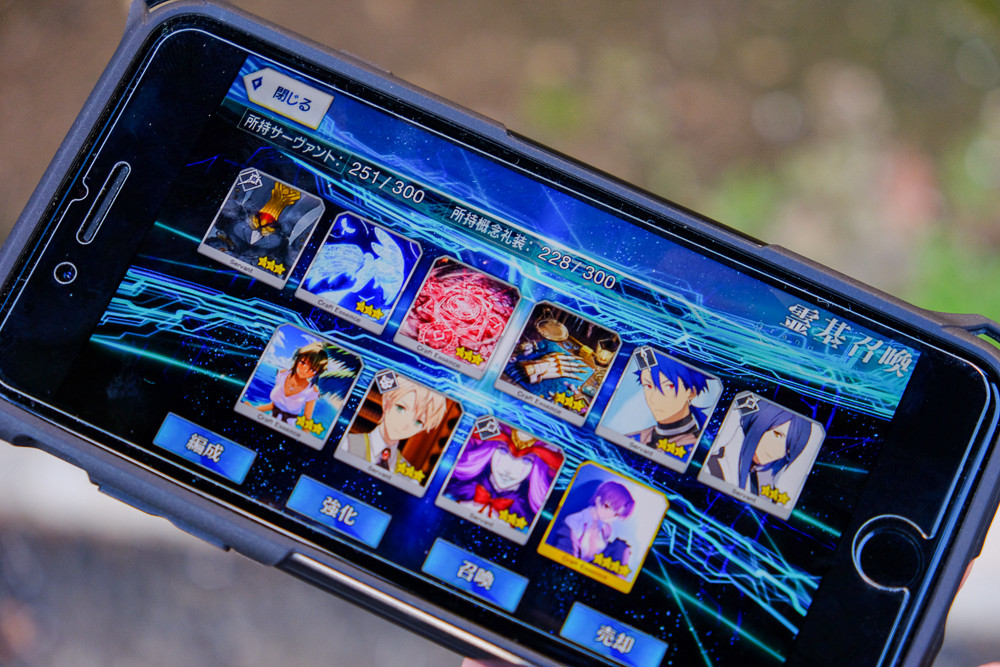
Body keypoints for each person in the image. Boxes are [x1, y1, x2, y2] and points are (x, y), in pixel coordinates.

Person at [442, 426, 562, 523]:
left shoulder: (532, 517)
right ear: (489, 450)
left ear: (536, 469)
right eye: (503, 451)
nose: (509, 469)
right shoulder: (450, 487)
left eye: (526, 460)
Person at [704, 401, 812, 496]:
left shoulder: (758, 483)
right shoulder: (711, 466)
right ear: (759, 423)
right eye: (777, 434)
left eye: (788, 448)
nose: (779, 452)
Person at [345, 375, 448, 472]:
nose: (405, 424)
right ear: (386, 403)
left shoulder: (407, 474)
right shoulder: (346, 444)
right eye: (400, 408)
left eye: (418, 422)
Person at [626, 352, 712, 450]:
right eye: (647, 386)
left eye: (668, 386)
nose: (654, 398)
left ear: (691, 392)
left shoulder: (698, 447)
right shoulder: (634, 438)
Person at [547, 479, 635, 569]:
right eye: (608, 507)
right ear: (598, 500)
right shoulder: (574, 521)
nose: (610, 515)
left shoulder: (606, 528)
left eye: (616, 514)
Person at [248, 342, 327, 425]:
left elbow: (306, 421)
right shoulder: (282, 375)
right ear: (297, 359)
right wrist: (252, 409)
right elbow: (273, 406)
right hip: (268, 421)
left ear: (318, 372)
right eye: (303, 362)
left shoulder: (312, 390)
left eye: (312, 369)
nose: (305, 370)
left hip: (287, 428)